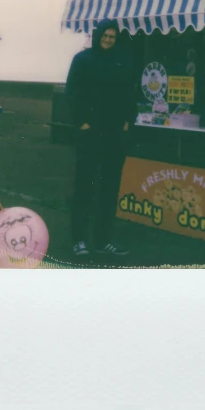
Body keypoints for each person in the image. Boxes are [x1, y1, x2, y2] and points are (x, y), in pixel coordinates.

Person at [64, 19, 135, 259]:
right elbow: (71, 92)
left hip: (115, 134)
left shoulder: (122, 60)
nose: (108, 40)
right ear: (97, 36)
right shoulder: (82, 60)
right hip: (90, 133)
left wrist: (127, 120)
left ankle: (104, 240)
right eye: (105, 36)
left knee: (109, 188)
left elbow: (129, 92)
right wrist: (81, 122)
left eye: (112, 37)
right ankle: (79, 240)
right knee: (85, 186)